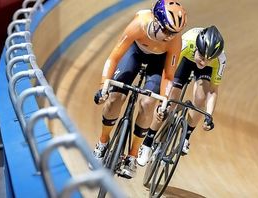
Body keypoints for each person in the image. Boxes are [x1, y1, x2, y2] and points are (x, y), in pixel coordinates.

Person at [93, 0, 187, 179]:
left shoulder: (175, 41)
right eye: (167, 30)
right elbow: (114, 57)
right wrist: (103, 85)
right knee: (114, 98)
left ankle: (132, 156)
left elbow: (168, 75)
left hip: (157, 64)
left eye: (174, 32)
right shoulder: (139, 24)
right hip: (134, 53)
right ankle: (102, 143)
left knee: (148, 103)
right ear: (156, 21)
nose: (169, 37)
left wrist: (164, 101)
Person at [137, 25, 226, 166]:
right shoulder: (185, 43)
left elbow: (213, 90)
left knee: (201, 97)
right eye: (202, 57)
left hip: (205, 70)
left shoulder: (219, 59)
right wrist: (164, 104)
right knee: (171, 100)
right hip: (184, 60)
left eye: (209, 59)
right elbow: (169, 77)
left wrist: (208, 115)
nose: (204, 62)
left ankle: (186, 136)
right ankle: (147, 143)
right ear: (196, 47)